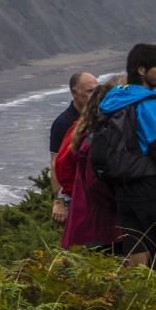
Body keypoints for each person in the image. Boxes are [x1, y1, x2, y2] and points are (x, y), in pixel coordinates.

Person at [99, 43, 156, 285]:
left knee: (136, 254)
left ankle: (137, 308)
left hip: (123, 187)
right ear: (142, 70)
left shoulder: (116, 98)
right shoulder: (150, 102)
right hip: (152, 187)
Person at [57, 77, 124, 253]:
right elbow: (94, 182)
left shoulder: (83, 128)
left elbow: (62, 166)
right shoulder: (99, 135)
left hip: (85, 213)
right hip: (101, 221)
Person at [50, 71, 97, 223]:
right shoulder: (63, 123)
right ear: (75, 93)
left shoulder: (100, 116)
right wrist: (59, 201)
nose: (95, 95)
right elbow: (55, 162)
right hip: (76, 194)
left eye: (97, 90)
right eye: (90, 91)